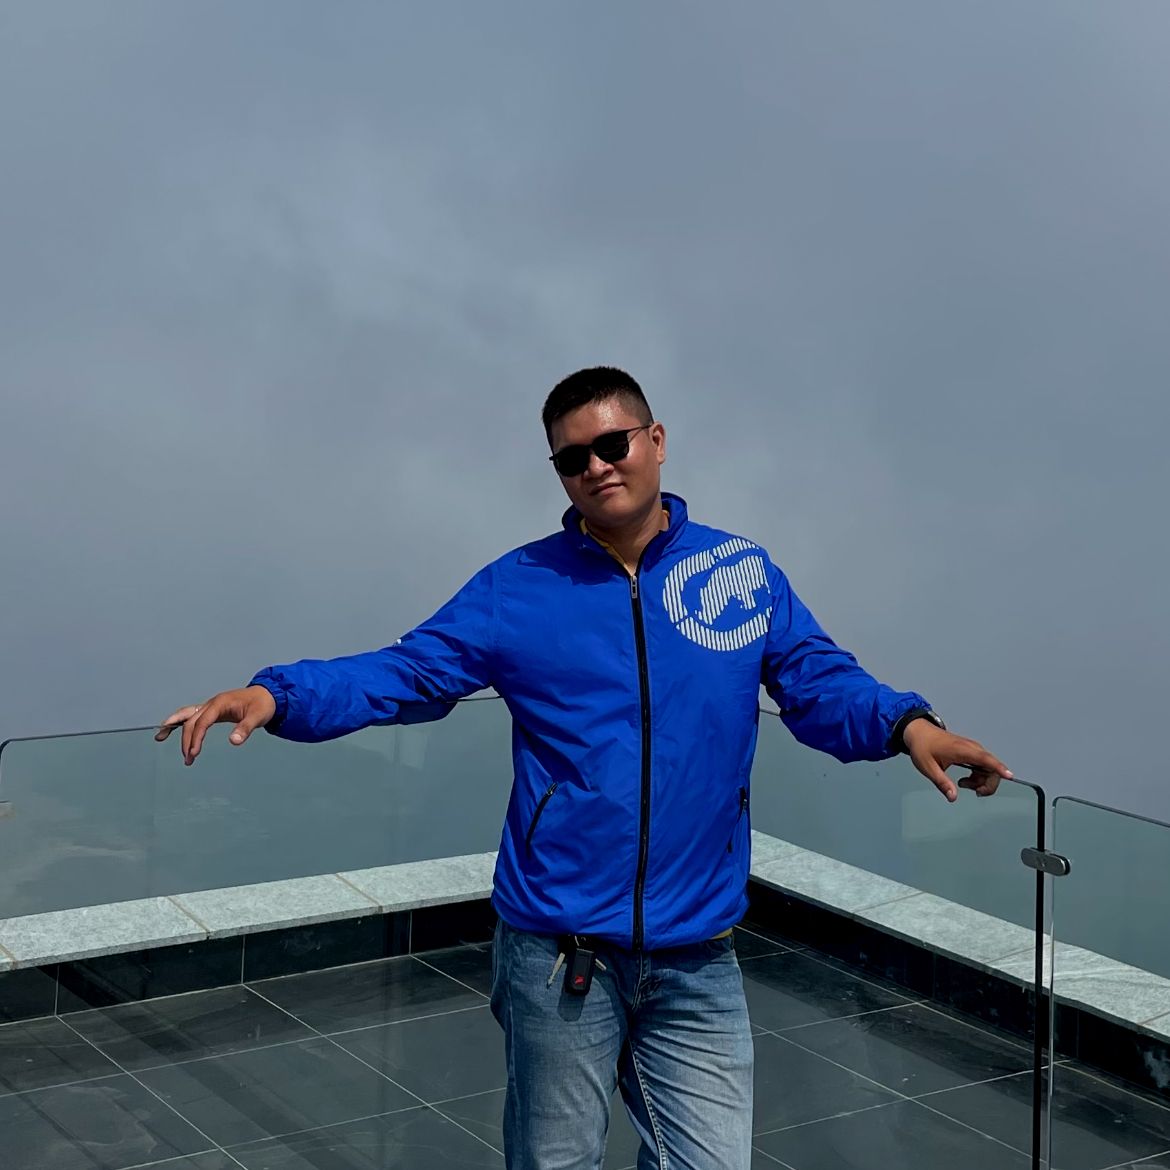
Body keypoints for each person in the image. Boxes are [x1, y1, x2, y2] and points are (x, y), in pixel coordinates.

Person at [158, 367, 1010, 1170]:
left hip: (698, 951)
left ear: (656, 441)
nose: (597, 468)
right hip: (560, 955)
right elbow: (406, 673)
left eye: (613, 444)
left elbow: (818, 681)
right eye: (573, 460)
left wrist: (908, 724)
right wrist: (277, 696)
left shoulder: (738, 572)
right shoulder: (518, 588)